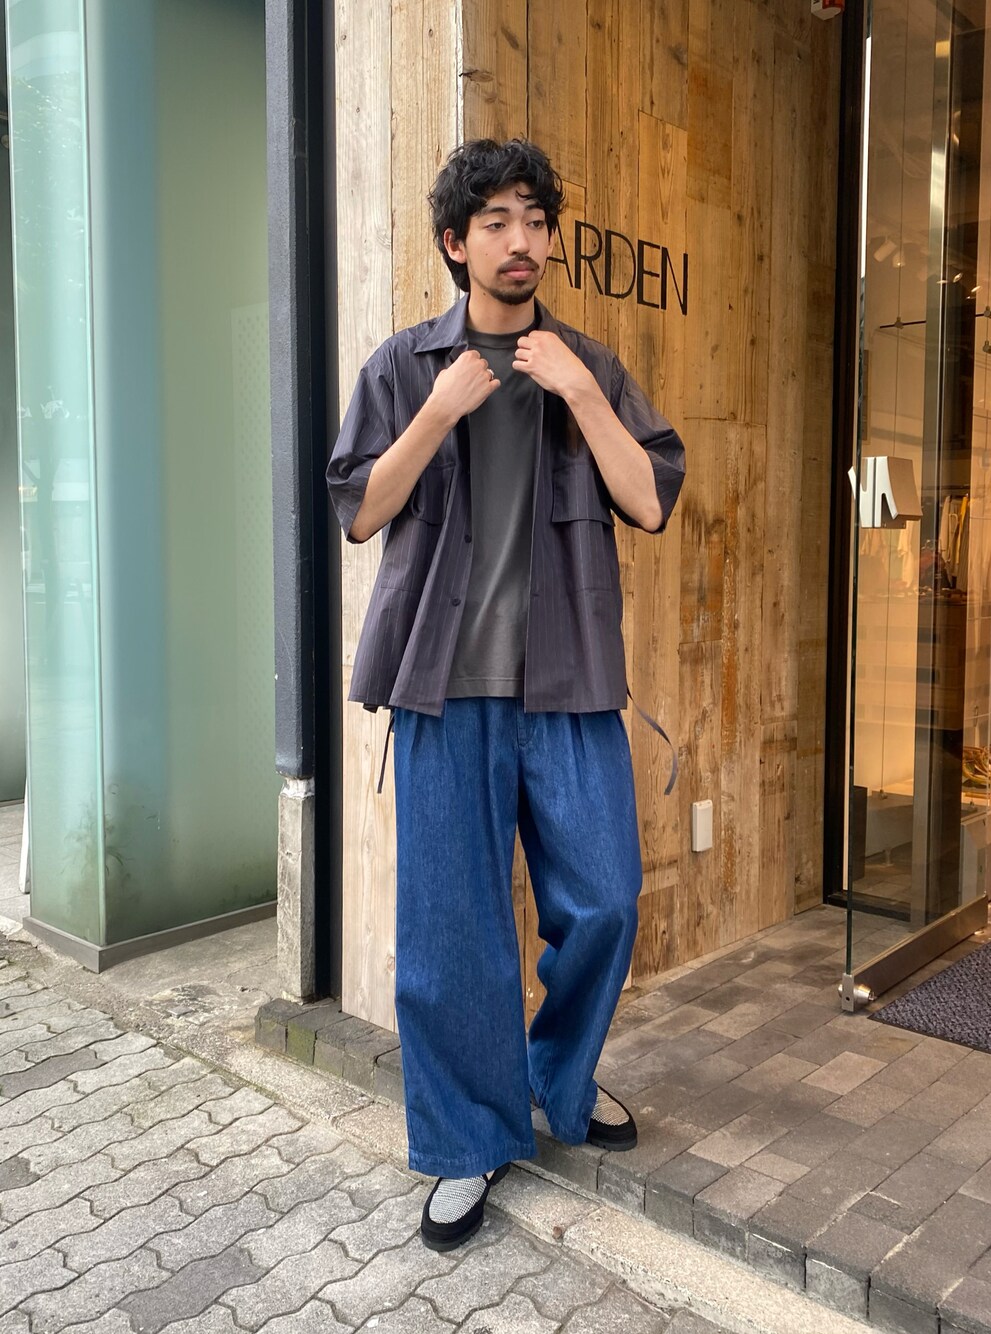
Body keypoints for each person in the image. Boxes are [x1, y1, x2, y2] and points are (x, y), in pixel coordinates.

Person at [327, 138, 685, 1252]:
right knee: (451, 933)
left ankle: (552, 1077)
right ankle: (465, 1138)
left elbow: (650, 500)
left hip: (568, 684)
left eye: (534, 218)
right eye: (495, 221)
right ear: (456, 241)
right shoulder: (403, 366)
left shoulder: (590, 364)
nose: (519, 240)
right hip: (443, 692)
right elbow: (359, 511)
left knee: (607, 899)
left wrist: (577, 390)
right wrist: (438, 411)